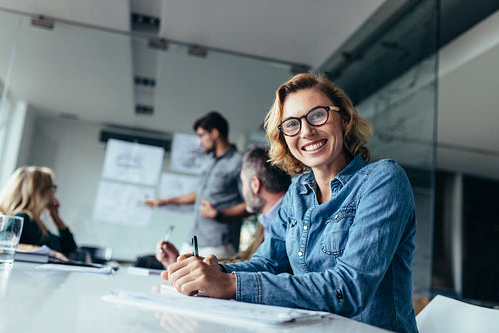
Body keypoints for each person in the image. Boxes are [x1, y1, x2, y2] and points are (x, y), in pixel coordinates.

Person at [163, 73, 418, 333]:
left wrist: (230, 284)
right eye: (292, 124)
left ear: (344, 118)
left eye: (318, 115)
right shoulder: (298, 192)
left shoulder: (383, 180)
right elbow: (269, 263)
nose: (306, 131)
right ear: (284, 137)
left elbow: (348, 289)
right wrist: (214, 270)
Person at [155, 145, 292, 268]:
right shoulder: (266, 222)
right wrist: (181, 264)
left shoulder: (291, 220)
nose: (242, 192)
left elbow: (261, 270)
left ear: (255, 185)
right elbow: (246, 260)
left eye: (243, 183)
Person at [144, 111, 249, 258]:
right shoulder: (209, 161)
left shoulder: (240, 162)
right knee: (175, 277)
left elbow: (252, 205)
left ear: (214, 133)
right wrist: (165, 201)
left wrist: (218, 214)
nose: (199, 142)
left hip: (219, 245)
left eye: (201, 135)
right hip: (193, 239)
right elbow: (198, 193)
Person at [0, 166, 77, 257]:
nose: (53, 192)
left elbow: (69, 248)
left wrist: (55, 216)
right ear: (39, 191)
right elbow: (4, 245)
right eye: (52, 187)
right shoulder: (23, 218)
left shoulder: (36, 223)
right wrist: (50, 253)